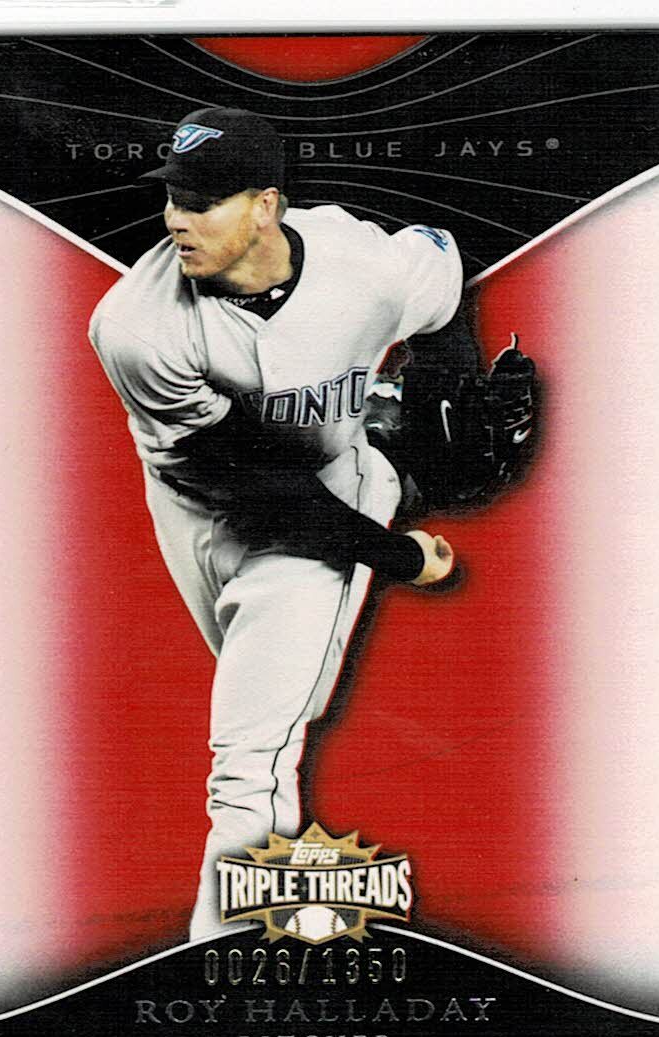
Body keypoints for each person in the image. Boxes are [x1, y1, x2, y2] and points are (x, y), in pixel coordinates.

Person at [89, 106, 467, 940]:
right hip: (193, 504)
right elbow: (252, 481)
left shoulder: (362, 263)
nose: (177, 220)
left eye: (203, 202)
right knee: (271, 704)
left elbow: (441, 277)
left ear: (266, 206)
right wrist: (399, 556)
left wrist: (438, 410)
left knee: (253, 756)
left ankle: (223, 958)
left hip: (330, 491)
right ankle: (279, 920)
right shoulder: (137, 325)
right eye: (173, 198)